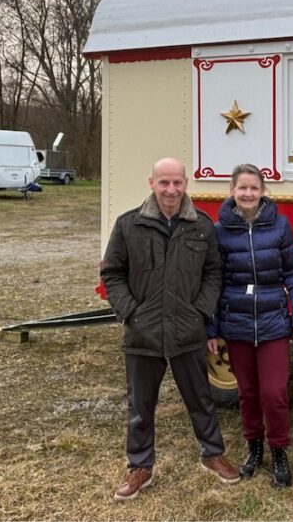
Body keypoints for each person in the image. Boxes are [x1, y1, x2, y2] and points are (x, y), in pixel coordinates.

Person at [101, 157, 240, 501]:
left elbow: (214, 274)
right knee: (140, 406)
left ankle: (212, 454)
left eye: (177, 182)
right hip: (142, 334)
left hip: (187, 330)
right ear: (151, 183)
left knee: (201, 400)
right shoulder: (128, 225)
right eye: (164, 183)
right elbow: (112, 274)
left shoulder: (201, 226)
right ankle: (140, 466)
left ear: (186, 184)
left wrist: (200, 311)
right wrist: (130, 312)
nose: (171, 190)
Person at [207, 163, 293, 487]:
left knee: (274, 392)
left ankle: (279, 450)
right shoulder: (219, 230)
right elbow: (214, 280)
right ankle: (254, 448)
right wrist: (211, 329)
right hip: (236, 320)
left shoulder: (280, 226)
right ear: (232, 192)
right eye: (243, 188)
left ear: (263, 191)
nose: (248, 194)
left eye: (254, 188)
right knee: (249, 393)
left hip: (272, 320)